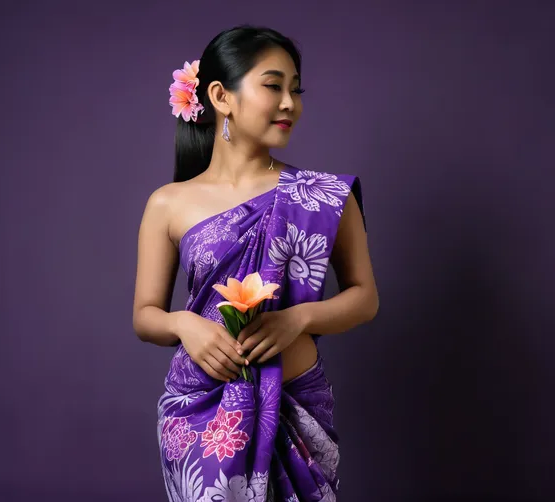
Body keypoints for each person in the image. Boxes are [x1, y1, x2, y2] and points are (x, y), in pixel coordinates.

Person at [132, 24, 378, 502]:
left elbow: (365, 297)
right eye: (273, 86)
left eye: (296, 90)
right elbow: (145, 315)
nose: (290, 103)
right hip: (202, 415)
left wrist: (298, 318)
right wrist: (185, 324)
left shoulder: (323, 195)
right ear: (222, 96)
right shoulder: (168, 203)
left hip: (299, 409)